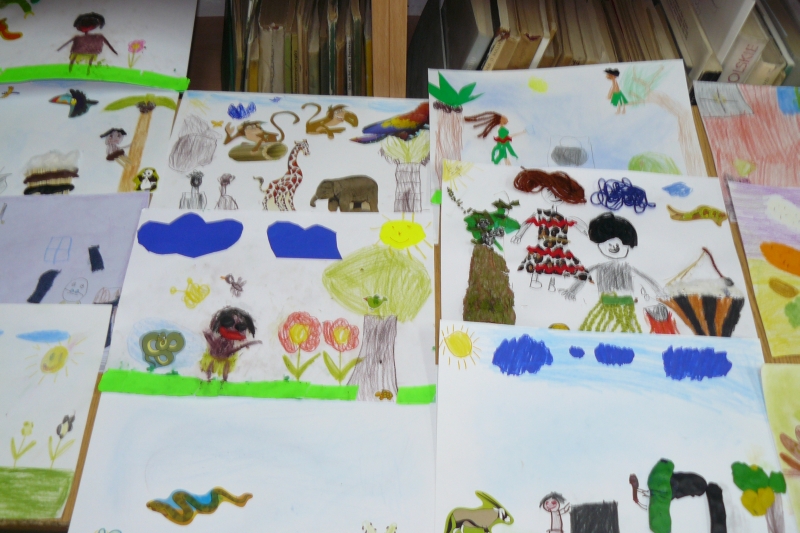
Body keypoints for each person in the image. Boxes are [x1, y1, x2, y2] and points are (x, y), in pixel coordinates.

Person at [561, 213, 663, 333]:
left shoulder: (628, 268)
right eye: (605, 242)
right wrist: (572, 291)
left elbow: (646, 278)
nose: (612, 246)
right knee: (601, 328)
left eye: (618, 242)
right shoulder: (599, 268)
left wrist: (659, 291)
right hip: (605, 306)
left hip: (626, 307)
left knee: (626, 329)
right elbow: (583, 276)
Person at [512, 169, 589, 291]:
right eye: (550, 191)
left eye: (559, 194)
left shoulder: (564, 218)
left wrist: (587, 232)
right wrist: (519, 235)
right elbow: (527, 222)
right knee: (538, 261)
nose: (554, 196)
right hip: (543, 245)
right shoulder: (541, 214)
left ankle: (552, 284)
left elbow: (578, 223)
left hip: (559, 247)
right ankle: (534, 280)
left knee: (556, 265)